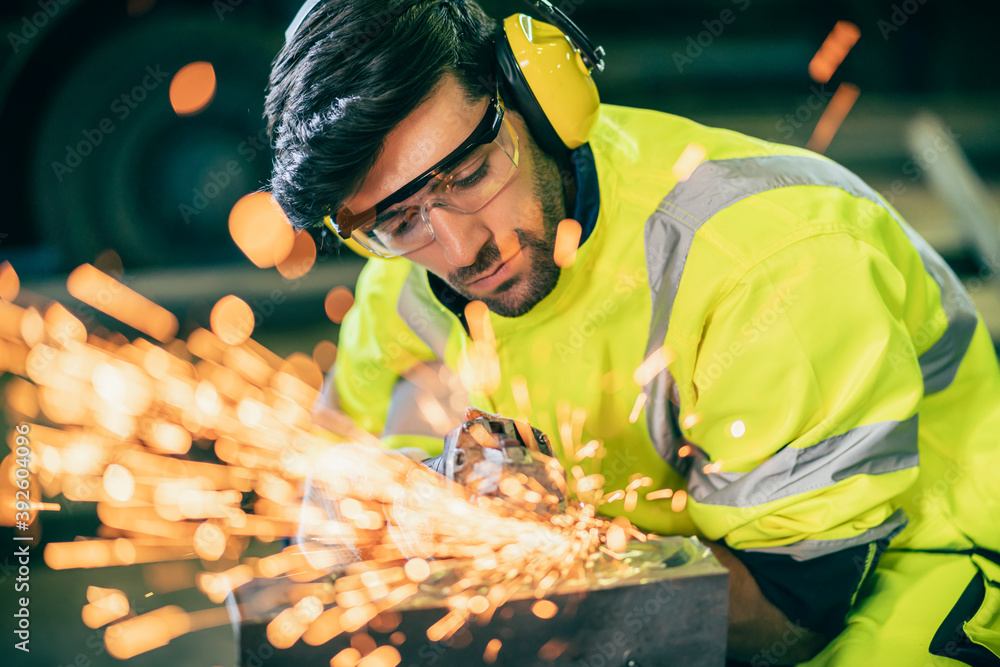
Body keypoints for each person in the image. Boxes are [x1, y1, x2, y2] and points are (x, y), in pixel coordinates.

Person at [263, 0, 1000, 664]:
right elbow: (339, 428)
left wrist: (562, 548)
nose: (459, 250)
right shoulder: (408, 270)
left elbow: (791, 617)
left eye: (471, 173)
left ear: (540, 99)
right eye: (399, 219)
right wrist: (356, 491)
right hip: (654, 548)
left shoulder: (767, 259)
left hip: (913, 561)